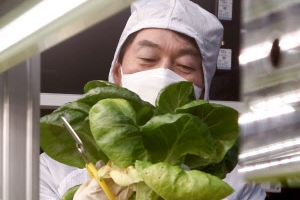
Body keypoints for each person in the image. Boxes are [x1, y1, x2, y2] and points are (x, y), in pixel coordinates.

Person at [40, 0, 266, 199]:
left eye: (185, 66)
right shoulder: (52, 171)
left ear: (204, 86)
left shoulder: (238, 183)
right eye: (147, 58)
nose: (164, 72)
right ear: (117, 72)